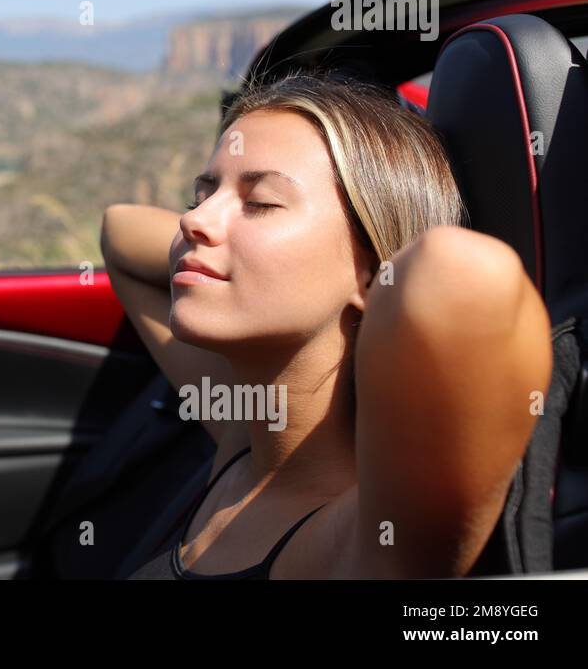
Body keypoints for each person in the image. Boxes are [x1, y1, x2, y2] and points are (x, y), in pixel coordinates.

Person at [102, 69, 553, 579]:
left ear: (373, 273)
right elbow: (119, 230)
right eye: (201, 195)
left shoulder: (356, 542)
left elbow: (461, 276)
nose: (193, 220)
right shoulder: (244, 437)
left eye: (260, 203)